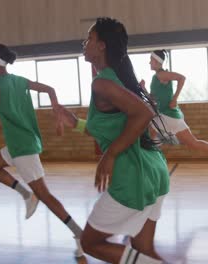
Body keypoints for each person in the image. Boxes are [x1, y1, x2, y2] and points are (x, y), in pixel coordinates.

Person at [60, 18, 169, 264]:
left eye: (90, 38)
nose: (85, 43)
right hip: (155, 171)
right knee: (143, 250)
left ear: (102, 46)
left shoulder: (103, 83)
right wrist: (75, 123)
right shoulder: (114, 78)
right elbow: (110, 129)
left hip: (133, 177)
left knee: (89, 243)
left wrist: (109, 156)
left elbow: (144, 114)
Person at [0, 43, 84, 258]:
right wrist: (56, 110)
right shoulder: (19, 81)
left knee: (45, 195)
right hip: (21, 143)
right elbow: (50, 89)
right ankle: (26, 195)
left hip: (22, 149)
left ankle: (79, 233)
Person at [143, 49, 208, 174]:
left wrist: (175, 98)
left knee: (152, 130)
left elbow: (182, 78)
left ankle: (156, 165)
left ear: (156, 61)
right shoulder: (156, 78)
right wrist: (143, 88)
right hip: (170, 117)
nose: (149, 63)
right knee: (193, 143)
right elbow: (152, 99)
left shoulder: (161, 75)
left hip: (169, 116)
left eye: (151, 60)